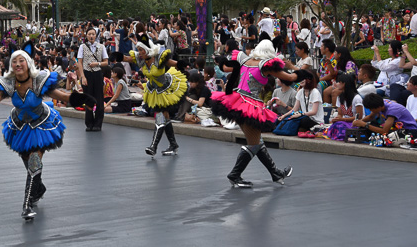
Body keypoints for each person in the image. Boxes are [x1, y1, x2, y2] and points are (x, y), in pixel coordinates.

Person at [0, 50, 94, 220]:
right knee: (28, 163)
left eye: (21, 60)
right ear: (11, 66)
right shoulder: (9, 83)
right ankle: (39, 188)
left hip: (40, 125)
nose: (18, 64)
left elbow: (63, 96)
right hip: (19, 126)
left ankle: (27, 206)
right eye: (14, 62)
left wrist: (84, 100)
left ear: (28, 63)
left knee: (34, 163)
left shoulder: (39, 82)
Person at [211, 39, 312, 188]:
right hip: (250, 105)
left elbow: (226, 68)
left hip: (236, 101)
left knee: (258, 141)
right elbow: (289, 78)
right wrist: (304, 73)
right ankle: (235, 174)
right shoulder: (265, 65)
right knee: (253, 143)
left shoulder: (244, 59)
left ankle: (275, 174)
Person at [124, 40, 187, 157]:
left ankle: (153, 146)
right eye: (138, 50)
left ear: (147, 50)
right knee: (165, 117)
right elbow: (127, 58)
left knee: (160, 116)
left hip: (165, 90)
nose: (139, 52)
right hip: (153, 90)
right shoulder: (141, 59)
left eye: (141, 50)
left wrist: (181, 64)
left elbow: (172, 63)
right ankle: (173, 145)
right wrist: (116, 57)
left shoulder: (159, 58)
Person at [76, 29, 109, 131]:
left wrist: (97, 64)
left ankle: (98, 124)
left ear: (96, 36)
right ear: (86, 35)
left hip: (98, 73)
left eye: (93, 34)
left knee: (99, 99)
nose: (91, 36)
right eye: (89, 34)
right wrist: (82, 77)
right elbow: (80, 62)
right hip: (87, 74)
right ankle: (89, 123)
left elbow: (106, 62)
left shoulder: (101, 47)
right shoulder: (82, 47)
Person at [353, 93, 417, 138]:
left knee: (369, 127)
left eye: (371, 109)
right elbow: (370, 117)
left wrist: (364, 124)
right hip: (396, 127)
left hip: (408, 130)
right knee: (372, 124)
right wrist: (359, 121)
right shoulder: (381, 103)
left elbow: (385, 131)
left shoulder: (392, 110)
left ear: (378, 107)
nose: (370, 111)